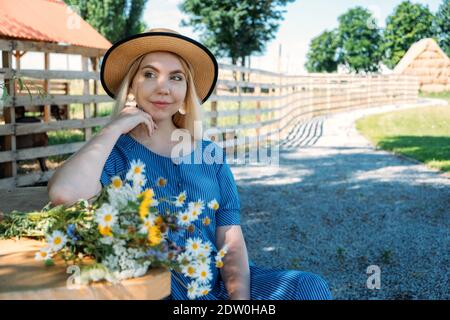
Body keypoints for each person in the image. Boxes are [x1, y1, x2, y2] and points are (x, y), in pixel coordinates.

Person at [47, 28, 331, 300]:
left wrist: (239, 300)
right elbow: (64, 194)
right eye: (149, 74)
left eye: (176, 77)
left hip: (219, 285)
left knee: (309, 287)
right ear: (132, 83)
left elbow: (229, 238)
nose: (163, 88)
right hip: (156, 292)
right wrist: (112, 129)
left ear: (186, 90)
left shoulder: (210, 155)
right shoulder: (114, 154)